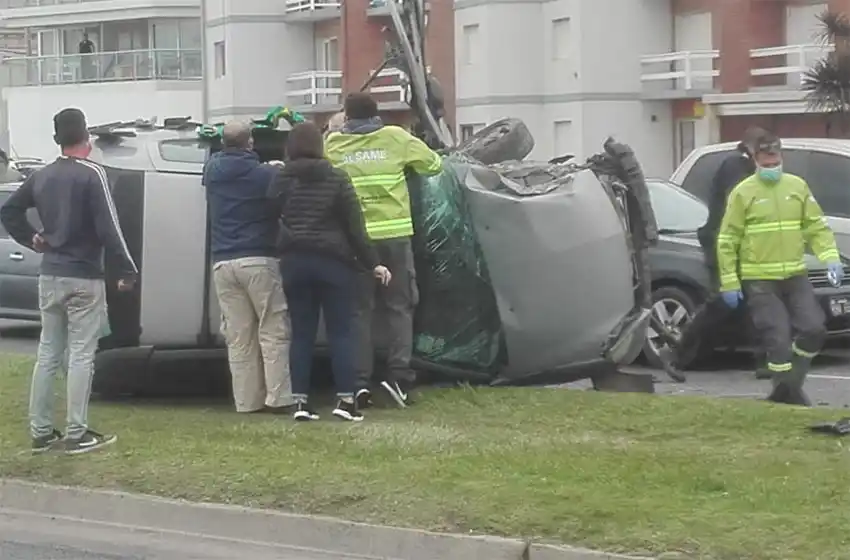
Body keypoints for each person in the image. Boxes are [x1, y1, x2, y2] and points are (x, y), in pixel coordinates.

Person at [0, 108, 137, 454]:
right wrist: (126, 269)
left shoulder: (42, 175)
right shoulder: (93, 175)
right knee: (81, 355)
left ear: (57, 138)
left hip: (50, 272)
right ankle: (77, 431)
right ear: (86, 136)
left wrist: (31, 238)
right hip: (83, 275)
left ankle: (41, 431)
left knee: (47, 353)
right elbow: (110, 227)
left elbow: (9, 210)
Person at [325, 92, 443, 409]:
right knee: (399, 307)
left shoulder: (334, 144)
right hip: (394, 236)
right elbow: (434, 165)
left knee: (360, 312)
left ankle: (360, 383)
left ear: (347, 116)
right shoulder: (395, 137)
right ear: (376, 113)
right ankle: (398, 378)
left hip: (356, 241)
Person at [268, 122, 391, 421]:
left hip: (295, 262)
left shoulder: (281, 179)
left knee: (301, 334)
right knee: (341, 332)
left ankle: (299, 402)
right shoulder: (337, 178)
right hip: (334, 262)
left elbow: (269, 213)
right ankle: (346, 401)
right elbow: (354, 226)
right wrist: (373, 262)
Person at [716, 133, 843, 406]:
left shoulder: (797, 187)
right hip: (759, 278)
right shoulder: (743, 193)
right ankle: (787, 394)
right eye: (766, 160)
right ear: (756, 160)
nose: (772, 165)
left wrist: (830, 257)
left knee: (814, 329)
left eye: (776, 160)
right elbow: (728, 240)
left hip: (795, 274)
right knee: (778, 340)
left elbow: (815, 227)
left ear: (782, 157)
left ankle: (788, 389)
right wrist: (729, 282)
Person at [658, 126, 767, 383]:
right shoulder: (736, 166)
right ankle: (676, 353)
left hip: (737, 243)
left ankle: (765, 360)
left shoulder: (746, 168)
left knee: (753, 300)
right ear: (753, 149)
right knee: (722, 302)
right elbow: (737, 201)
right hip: (723, 242)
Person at [203, 120, 294, 414]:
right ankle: (278, 398)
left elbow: (222, 163)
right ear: (250, 143)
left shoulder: (212, 171)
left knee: (239, 336)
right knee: (272, 329)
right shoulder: (264, 174)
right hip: (258, 259)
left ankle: (246, 402)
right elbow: (279, 187)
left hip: (222, 263)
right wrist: (277, 166)